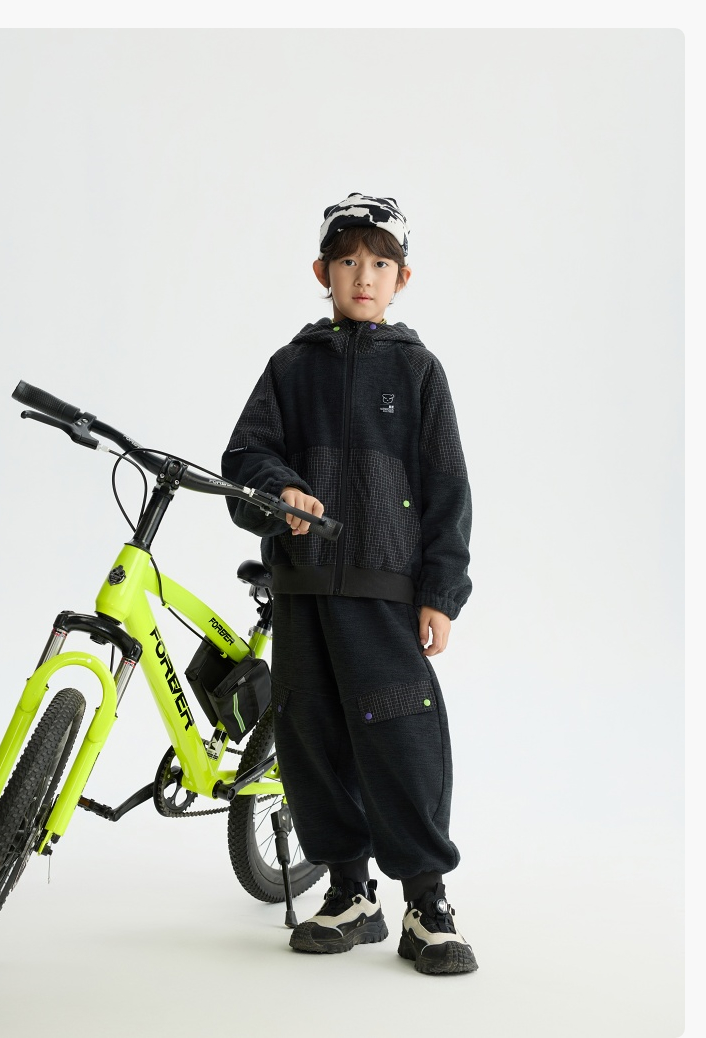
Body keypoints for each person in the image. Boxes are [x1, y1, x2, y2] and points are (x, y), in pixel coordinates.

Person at [221, 191, 477, 975]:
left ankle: (427, 903)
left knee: (402, 738)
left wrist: (441, 591)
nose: (363, 276)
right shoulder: (290, 368)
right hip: (300, 589)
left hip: (385, 589)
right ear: (321, 271)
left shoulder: (417, 370)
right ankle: (349, 892)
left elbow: (447, 487)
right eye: (347, 261)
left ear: (403, 279)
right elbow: (245, 458)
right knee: (312, 739)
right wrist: (281, 489)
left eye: (379, 265)